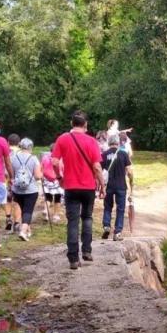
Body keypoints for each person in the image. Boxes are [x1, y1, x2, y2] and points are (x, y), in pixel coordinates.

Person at [52, 110, 105, 269]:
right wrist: (102, 184)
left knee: (73, 222)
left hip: (70, 186)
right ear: (86, 125)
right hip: (88, 187)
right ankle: (87, 251)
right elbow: (96, 166)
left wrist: (59, 178)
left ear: (71, 124)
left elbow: (54, 162)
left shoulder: (62, 139)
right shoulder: (92, 142)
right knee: (87, 218)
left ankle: (73, 259)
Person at [9, 137, 43, 241]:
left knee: (24, 209)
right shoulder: (33, 158)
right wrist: (42, 174)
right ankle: (23, 231)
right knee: (28, 211)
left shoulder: (13, 157)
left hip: (17, 189)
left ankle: (28, 230)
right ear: (31, 147)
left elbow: (10, 173)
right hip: (31, 189)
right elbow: (37, 176)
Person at [102, 134, 134, 241]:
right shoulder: (123, 154)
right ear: (118, 142)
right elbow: (129, 171)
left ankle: (106, 225)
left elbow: (99, 170)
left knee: (107, 206)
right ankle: (117, 232)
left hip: (108, 186)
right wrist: (131, 182)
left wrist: (100, 185)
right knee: (120, 209)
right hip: (121, 185)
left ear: (108, 142)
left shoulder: (104, 154)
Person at [40, 145, 63, 224]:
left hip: (47, 179)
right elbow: (62, 169)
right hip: (57, 179)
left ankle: (46, 210)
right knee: (58, 198)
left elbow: (41, 168)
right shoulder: (60, 158)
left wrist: (42, 176)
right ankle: (56, 215)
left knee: (48, 197)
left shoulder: (45, 157)